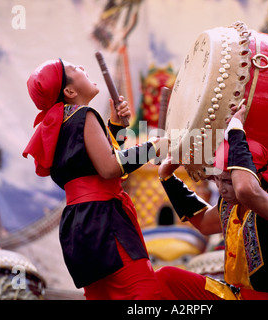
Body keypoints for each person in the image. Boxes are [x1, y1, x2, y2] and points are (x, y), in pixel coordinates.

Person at [22, 59, 168, 300]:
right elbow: (109, 168)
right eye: (73, 69)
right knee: (145, 294)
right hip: (104, 218)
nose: (80, 66)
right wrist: (153, 146)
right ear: (69, 91)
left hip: (78, 223)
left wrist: (116, 129)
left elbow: (87, 165)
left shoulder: (59, 123)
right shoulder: (84, 114)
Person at [155, 105, 268, 300]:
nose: (221, 189)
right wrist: (167, 176)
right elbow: (204, 222)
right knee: (165, 278)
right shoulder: (231, 204)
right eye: (218, 180)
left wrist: (236, 132)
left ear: (256, 176)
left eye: (229, 181)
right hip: (239, 297)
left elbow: (246, 190)